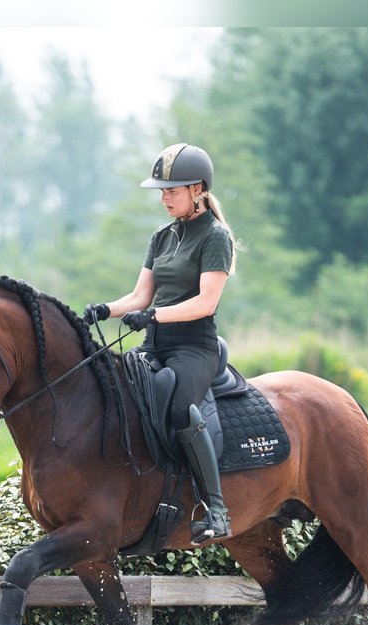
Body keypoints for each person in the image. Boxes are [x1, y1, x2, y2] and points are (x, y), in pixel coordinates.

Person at [83, 143, 237, 544]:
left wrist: (154, 316)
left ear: (198, 189)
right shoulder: (162, 236)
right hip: (155, 343)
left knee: (182, 410)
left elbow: (206, 302)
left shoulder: (216, 236)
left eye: (173, 190)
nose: (164, 198)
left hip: (194, 346)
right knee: (113, 390)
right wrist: (104, 309)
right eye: (162, 191)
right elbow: (139, 297)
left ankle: (216, 510)